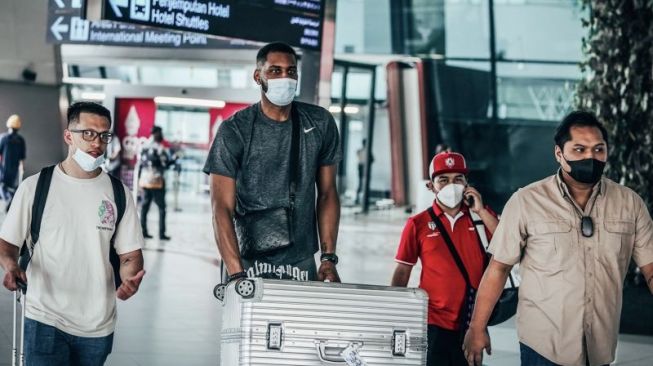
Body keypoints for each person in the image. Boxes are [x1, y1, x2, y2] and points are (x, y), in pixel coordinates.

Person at [463, 111, 653, 366]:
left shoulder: (630, 204)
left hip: (600, 347)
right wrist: (477, 327)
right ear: (559, 154)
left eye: (599, 149)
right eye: (579, 149)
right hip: (543, 347)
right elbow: (499, 268)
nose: (591, 157)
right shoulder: (526, 202)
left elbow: (651, 269)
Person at [0, 102, 145, 366]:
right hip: (44, 317)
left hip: (97, 323)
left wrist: (129, 278)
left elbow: (130, 255)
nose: (97, 143)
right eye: (88, 133)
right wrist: (11, 266)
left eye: (104, 135)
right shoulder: (35, 187)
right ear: (69, 136)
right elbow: (8, 243)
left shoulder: (118, 193)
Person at [204, 42, 342, 283]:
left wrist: (328, 259)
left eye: (291, 71)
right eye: (275, 71)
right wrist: (236, 273)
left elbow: (328, 193)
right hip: (248, 258)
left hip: (300, 259)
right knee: (246, 322)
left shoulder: (320, 123)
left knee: (300, 321)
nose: (284, 78)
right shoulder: (235, 130)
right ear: (258, 77)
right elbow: (221, 209)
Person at [391, 151, 498, 366]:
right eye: (443, 180)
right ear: (431, 186)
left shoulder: (480, 218)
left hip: (472, 320)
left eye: (458, 179)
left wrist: (481, 210)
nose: (452, 185)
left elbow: (508, 243)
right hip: (431, 321)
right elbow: (403, 271)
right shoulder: (418, 224)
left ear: (467, 183)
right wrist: (395, 314)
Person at [138, 126, 171, 240]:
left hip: (145, 181)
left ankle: (143, 231)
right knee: (162, 208)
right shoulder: (159, 148)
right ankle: (161, 234)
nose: (162, 135)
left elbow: (140, 163)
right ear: (156, 133)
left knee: (144, 207)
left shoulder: (143, 146)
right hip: (157, 181)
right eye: (160, 133)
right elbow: (165, 163)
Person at [0, 114, 26, 211]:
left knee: (2, 186)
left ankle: (9, 198)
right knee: (8, 186)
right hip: (14, 169)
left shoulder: (3, 138)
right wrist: (22, 168)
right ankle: (12, 198)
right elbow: (22, 158)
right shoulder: (21, 140)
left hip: (3, 168)